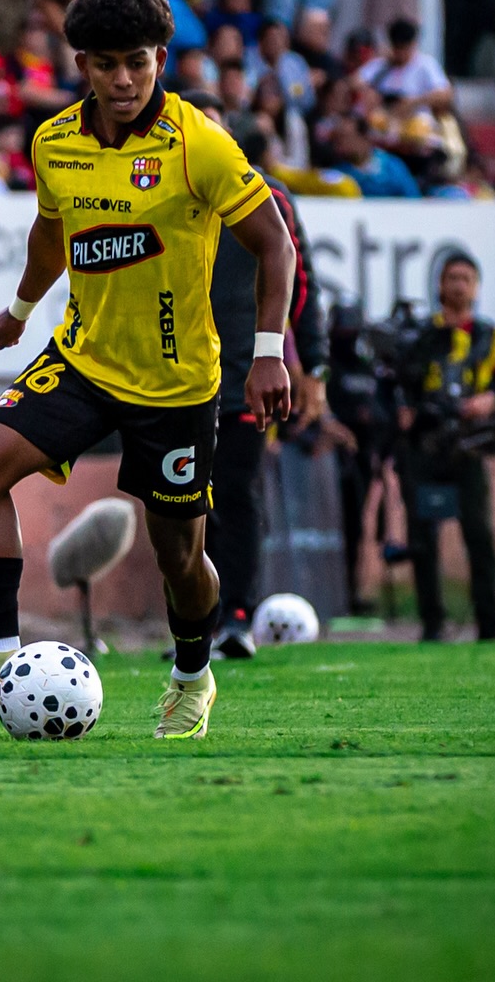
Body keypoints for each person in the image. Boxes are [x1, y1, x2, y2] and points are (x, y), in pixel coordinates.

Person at [0, 0, 295, 740]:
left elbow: (274, 241)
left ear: (161, 61)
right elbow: (53, 234)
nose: (124, 80)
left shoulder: (198, 145)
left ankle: (192, 676)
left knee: (180, 554)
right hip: (83, 360)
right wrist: (18, 310)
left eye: (139, 64)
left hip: (177, 382)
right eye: (107, 64)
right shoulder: (54, 142)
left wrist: (271, 354)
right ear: (81, 63)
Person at [194, 112, 327, 661]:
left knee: (238, 494)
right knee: (183, 504)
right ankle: (196, 621)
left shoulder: (264, 194)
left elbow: (299, 284)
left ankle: (237, 617)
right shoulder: (157, 190)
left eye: (212, 124)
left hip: (243, 376)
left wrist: (308, 365)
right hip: (172, 379)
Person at [392, 249, 495, 643]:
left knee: (479, 535)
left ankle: (491, 625)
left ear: (476, 287)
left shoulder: (489, 337)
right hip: (425, 449)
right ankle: (432, 625)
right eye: (452, 278)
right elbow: (397, 381)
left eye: (466, 278)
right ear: (440, 285)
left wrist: (489, 401)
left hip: (469, 449)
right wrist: (405, 411)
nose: (458, 285)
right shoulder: (420, 335)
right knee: (423, 539)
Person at [330, 113, 420, 198]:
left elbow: (413, 200)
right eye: (337, 138)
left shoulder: (392, 167)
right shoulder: (336, 174)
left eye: (346, 138)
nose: (340, 144)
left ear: (364, 138)